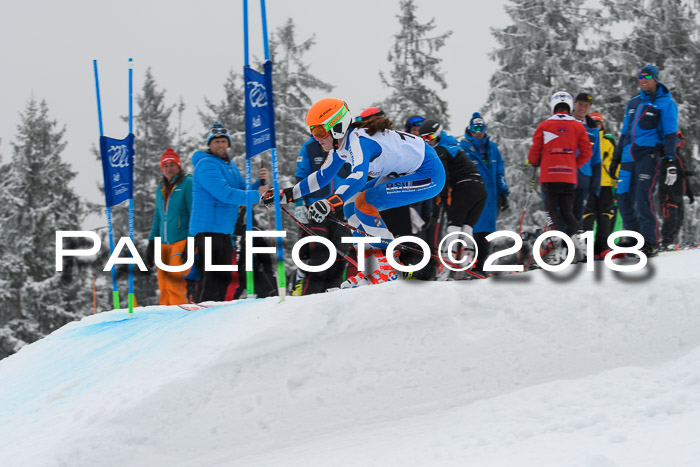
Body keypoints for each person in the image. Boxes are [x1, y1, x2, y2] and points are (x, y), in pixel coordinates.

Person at [262, 98, 446, 288]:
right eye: (312, 132)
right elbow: (322, 176)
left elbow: (358, 175)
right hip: (403, 172)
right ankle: (369, 269)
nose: (316, 137)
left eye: (319, 131)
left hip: (427, 172)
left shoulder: (358, 141)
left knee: (365, 203)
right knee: (350, 206)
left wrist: (330, 202)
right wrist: (288, 194)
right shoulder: (341, 145)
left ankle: (388, 268)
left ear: (337, 128)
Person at [188, 122, 267, 302]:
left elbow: (242, 189)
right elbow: (225, 194)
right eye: (216, 142)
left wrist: (258, 184)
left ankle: (214, 313)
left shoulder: (229, 166)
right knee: (211, 279)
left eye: (223, 141)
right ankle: (202, 314)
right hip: (208, 230)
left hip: (224, 230)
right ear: (209, 145)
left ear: (228, 144)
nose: (220, 145)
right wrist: (256, 195)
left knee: (222, 279)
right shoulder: (206, 165)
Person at [609, 64, 678, 256]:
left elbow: (671, 134)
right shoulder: (633, 103)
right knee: (623, 198)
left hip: (647, 155)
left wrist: (670, 160)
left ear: (655, 78)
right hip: (627, 156)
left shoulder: (665, 103)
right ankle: (632, 239)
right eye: (640, 77)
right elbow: (624, 133)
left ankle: (649, 241)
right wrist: (615, 159)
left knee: (642, 197)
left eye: (647, 76)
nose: (643, 80)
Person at [527, 91, 592, 261]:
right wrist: (573, 165)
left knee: (552, 214)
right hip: (568, 177)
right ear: (570, 106)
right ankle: (581, 246)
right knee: (568, 213)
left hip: (549, 177)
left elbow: (534, 151)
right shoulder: (578, 126)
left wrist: (533, 161)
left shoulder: (544, 125)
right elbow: (587, 151)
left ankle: (555, 252)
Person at [420, 119, 486, 275]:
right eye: (422, 139)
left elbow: (444, 176)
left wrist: (441, 197)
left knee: (453, 226)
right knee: (467, 227)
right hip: (479, 189)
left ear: (436, 133)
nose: (426, 142)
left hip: (464, 186)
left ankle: (448, 263)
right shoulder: (450, 143)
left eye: (429, 137)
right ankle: (466, 259)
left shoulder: (440, 149)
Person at [291, 136, 350, 295]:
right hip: (316, 209)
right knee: (322, 254)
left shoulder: (345, 146)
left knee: (339, 256)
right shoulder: (310, 147)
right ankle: (308, 296)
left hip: (339, 208)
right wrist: (300, 203)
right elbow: (301, 176)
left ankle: (329, 300)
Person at [460, 112, 510, 272]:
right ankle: (467, 265)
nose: (479, 131)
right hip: (473, 197)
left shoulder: (492, 147)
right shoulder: (464, 148)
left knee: (487, 233)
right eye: (475, 127)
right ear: (470, 128)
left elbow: (499, 172)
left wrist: (503, 193)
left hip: (491, 198)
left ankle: (481, 266)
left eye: (481, 127)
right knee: (472, 231)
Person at [146, 148, 193, 305]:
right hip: (164, 244)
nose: (168, 168)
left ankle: (180, 317)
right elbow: (158, 217)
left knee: (175, 284)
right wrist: (152, 242)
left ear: (179, 166)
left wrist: (191, 242)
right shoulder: (161, 188)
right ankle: (166, 319)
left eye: (172, 164)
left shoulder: (187, 183)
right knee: (164, 285)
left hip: (181, 241)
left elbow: (194, 213)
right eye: (165, 165)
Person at [582, 112, 619, 258]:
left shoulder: (608, 140)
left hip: (605, 184)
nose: (597, 126)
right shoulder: (585, 137)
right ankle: (586, 248)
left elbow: (616, 160)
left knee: (605, 216)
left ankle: (603, 247)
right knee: (587, 216)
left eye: (599, 123)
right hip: (590, 183)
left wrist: (616, 181)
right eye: (594, 123)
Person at [659, 131, 695, 249]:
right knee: (671, 220)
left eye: (679, 141)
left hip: (679, 194)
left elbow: (683, 176)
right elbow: (661, 176)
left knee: (679, 220)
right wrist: (669, 191)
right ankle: (664, 242)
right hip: (668, 194)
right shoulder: (666, 157)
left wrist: (689, 193)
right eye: (675, 141)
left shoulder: (679, 157)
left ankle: (671, 243)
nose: (677, 144)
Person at [571, 93, 602, 228]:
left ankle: (572, 247)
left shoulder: (593, 130)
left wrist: (595, 188)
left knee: (578, 217)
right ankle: (559, 244)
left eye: (586, 106)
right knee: (563, 215)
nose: (582, 108)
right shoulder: (565, 123)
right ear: (574, 104)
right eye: (580, 104)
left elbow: (596, 159)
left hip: (584, 179)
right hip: (565, 176)